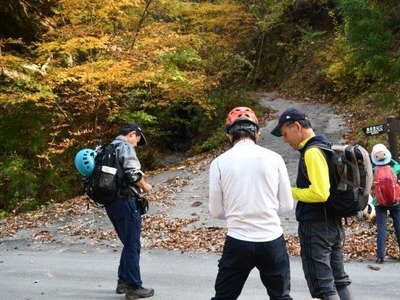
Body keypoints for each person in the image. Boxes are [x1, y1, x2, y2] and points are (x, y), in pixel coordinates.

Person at [209, 107, 294, 300]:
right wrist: (265, 212)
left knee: (224, 296)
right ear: (257, 133)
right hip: (271, 238)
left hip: (238, 240)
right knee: (280, 296)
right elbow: (287, 205)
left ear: (228, 134)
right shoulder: (275, 158)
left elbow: (216, 211)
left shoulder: (219, 163)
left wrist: (236, 213)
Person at [271, 108, 353, 300]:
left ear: (297, 127)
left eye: (285, 134)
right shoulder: (325, 146)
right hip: (333, 224)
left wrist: (288, 191)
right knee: (339, 280)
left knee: (324, 286)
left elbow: (320, 192)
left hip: (316, 228)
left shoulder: (312, 152)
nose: (285, 139)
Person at [105, 123, 154, 300]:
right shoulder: (124, 146)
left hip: (111, 202)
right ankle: (134, 287)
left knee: (129, 243)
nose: (135, 145)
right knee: (133, 244)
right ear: (132, 135)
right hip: (125, 201)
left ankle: (123, 282)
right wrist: (146, 186)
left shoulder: (108, 147)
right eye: (137, 140)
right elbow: (133, 173)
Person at [370, 143, 400, 264]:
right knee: (398, 226)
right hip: (395, 201)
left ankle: (380, 256)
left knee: (381, 228)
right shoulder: (396, 167)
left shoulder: (373, 169)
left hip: (379, 202)